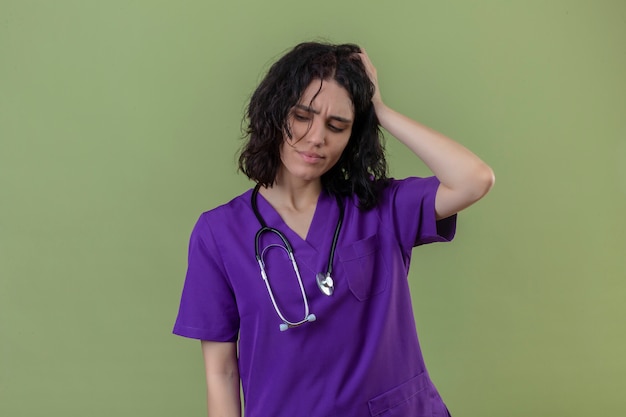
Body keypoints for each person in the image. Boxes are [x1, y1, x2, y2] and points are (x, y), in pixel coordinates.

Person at [173, 41, 494, 417]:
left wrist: (381, 110)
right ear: (275, 114)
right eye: (302, 116)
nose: (316, 138)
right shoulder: (219, 233)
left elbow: (474, 179)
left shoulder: (380, 206)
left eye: (337, 125)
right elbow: (222, 372)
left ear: (353, 136)